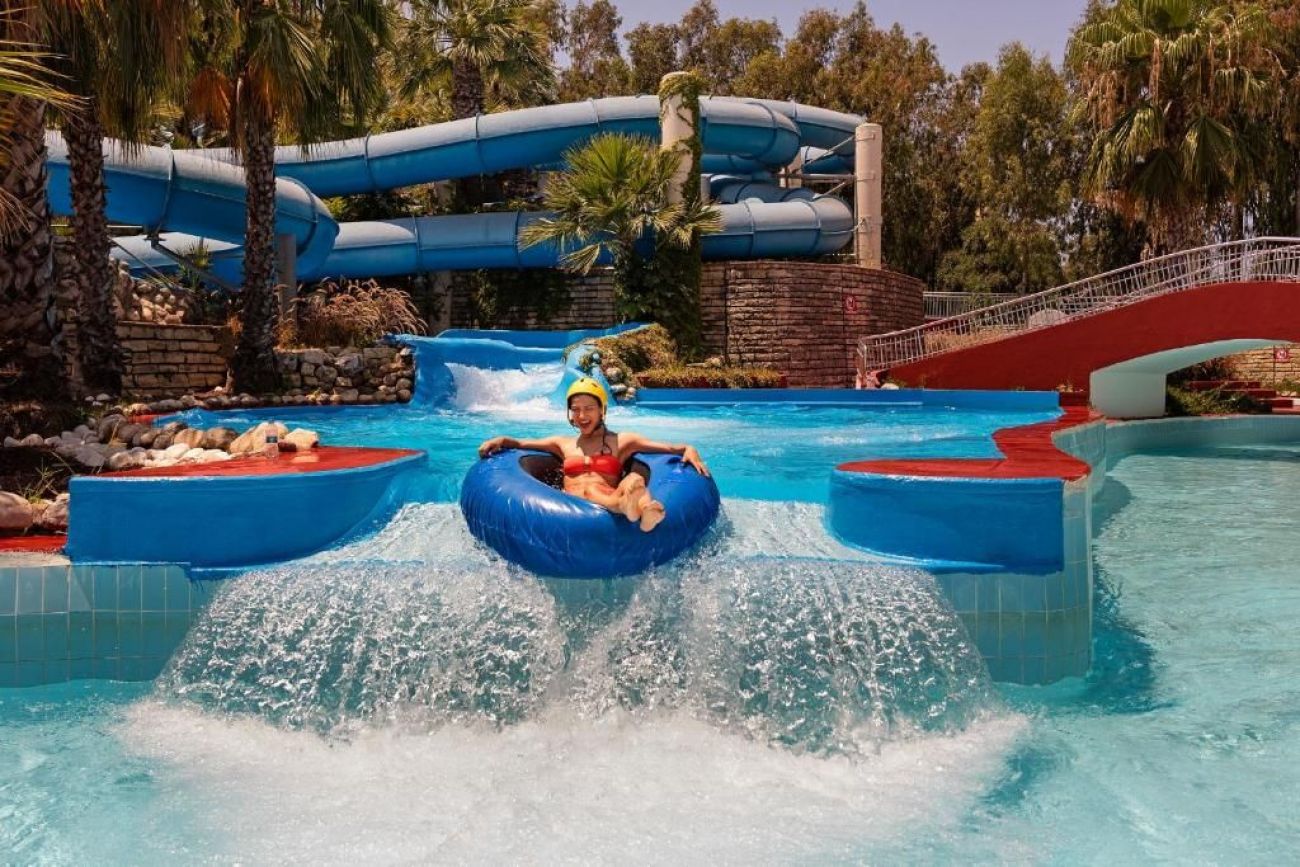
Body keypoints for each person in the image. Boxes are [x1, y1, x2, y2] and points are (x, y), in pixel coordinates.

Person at [477, 377, 709, 532]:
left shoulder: (622, 441)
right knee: (590, 490)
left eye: (589, 408)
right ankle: (629, 506)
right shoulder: (562, 443)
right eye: (575, 410)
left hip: (606, 495)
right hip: (569, 506)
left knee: (633, 479)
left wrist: (689, 449)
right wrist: (502, 440)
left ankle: (644, 510)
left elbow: (670, 448)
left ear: (602, 410)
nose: (581, 416)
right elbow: (522, 443)